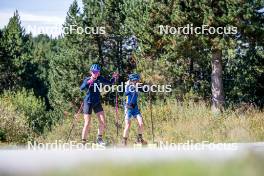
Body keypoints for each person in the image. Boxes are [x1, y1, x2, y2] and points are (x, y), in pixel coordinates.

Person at [80, 64, 119, 145]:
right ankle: (83, 142)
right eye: (94, 72)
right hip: (88, 103)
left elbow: (109, 83)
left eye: (97, 72)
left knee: (103, 121)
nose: (95, 73)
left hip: (97, 102)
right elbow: (82, 88)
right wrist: (89, 82)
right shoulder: (87, 79)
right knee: (87, 123)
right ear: (91, 72)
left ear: (99, 73)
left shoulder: (100, 78)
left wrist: (114, 78)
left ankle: (99, 139)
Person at [122, 73, 147, 146]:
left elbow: (144, 89)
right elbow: (126, 93)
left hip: (135, 108)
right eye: (135, 80)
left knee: (141, 123)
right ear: (132, 81)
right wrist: (133, 87)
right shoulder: (128, 86)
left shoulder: (136, 86)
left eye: (137, 80)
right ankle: (124, 141)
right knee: (128, 125)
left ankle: (139, 139)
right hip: (128, 108)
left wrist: (147, 88)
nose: (137, 82)